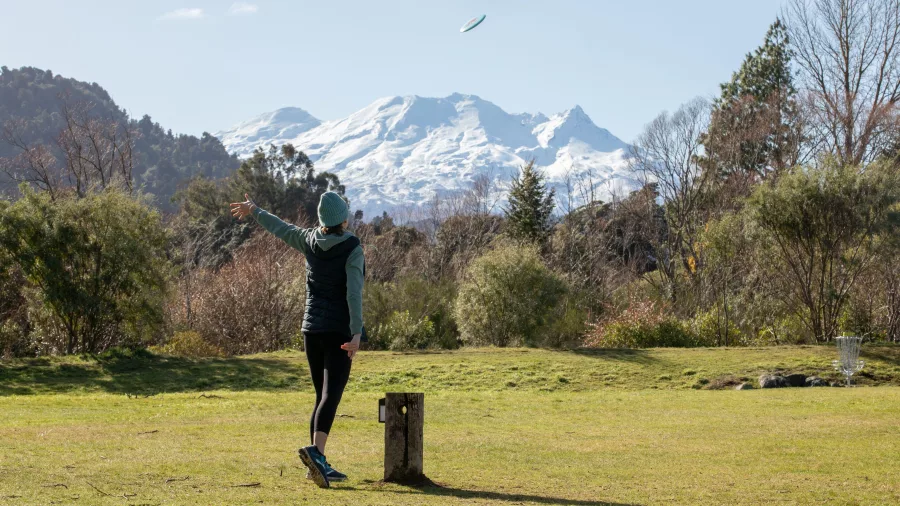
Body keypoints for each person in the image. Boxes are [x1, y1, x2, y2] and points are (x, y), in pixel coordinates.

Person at [230, 191, 365, 489]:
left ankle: (316, 466)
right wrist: (357, 333)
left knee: (320, 396)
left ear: (321, 220)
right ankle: (317, 458)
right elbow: (353, 293)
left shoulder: (308, 239)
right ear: (343, 218)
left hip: (311, 330)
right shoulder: (353, 247)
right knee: (332, 395)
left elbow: (280, 227)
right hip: (339, 332)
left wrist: (255, 209)